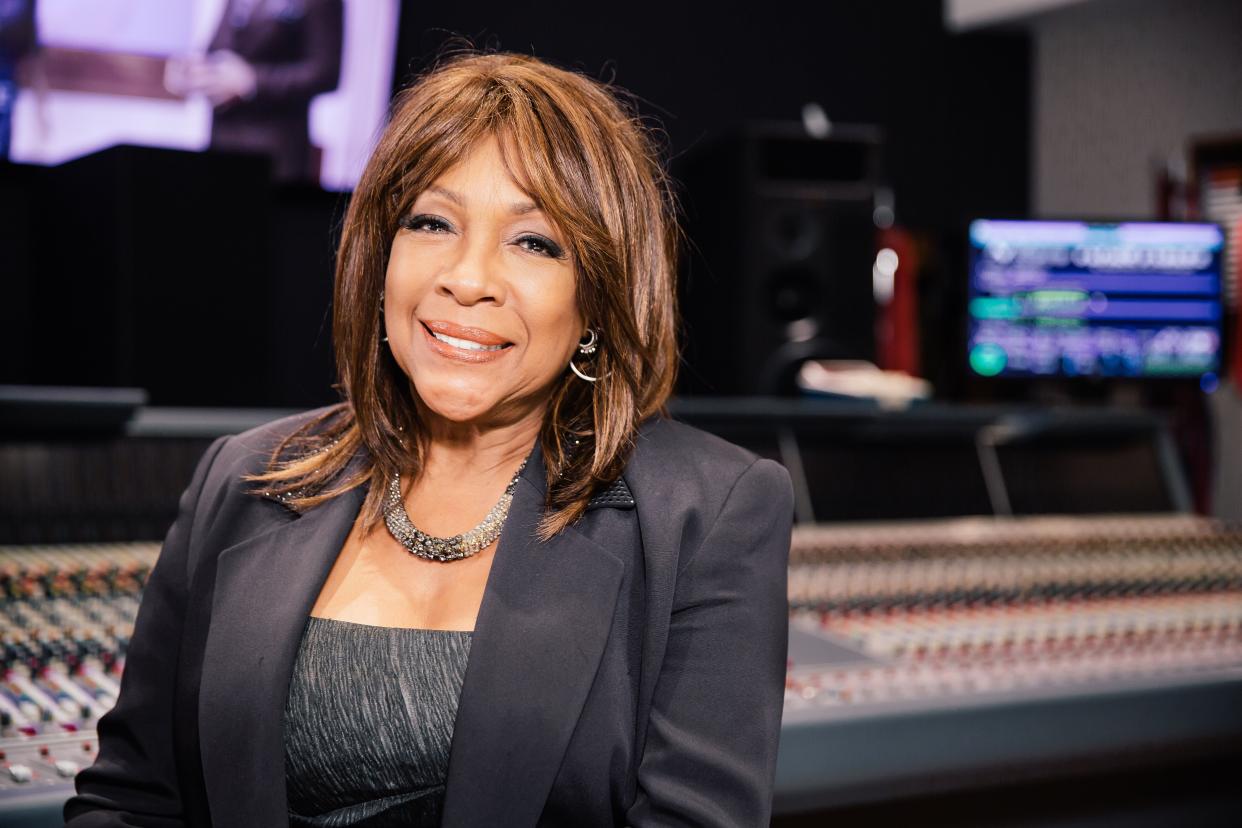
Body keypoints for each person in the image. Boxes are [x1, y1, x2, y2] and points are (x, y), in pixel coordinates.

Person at [66, 51, 793, 827]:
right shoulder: (240, 479)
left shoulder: (710, 513)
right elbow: (132, 799)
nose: (467, 276)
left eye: (535, 242)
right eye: (431, 223)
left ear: (600, 297)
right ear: (380, 257)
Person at [165, 0, 343, 181]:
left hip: (275, 151)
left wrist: (253, 81)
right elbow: (219, 48)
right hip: (223, 139)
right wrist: (196, 70)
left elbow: (326, 73)